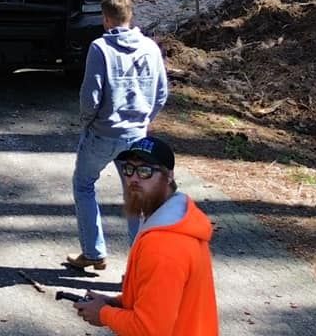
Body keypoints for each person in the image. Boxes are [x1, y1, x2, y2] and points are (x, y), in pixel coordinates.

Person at [72, 137, 219, 335]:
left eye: (145, 171)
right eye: (129, 169)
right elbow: (165, 301)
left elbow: (149, 329)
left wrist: (104, 314)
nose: (133, 178)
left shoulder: (163, 246)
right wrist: (115, 303)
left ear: (169, 176)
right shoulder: (171, 220)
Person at [64, 0, 168, 273]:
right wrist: (145, 120)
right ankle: (137, 268)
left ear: (106, 19)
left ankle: (93, 251)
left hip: (102, 133)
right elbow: (161, 93)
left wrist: (88, 122)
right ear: (130, 17)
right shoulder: (150, 48)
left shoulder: (100, 47)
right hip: (137, 135)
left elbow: (91, 95)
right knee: (136, 196)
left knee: (84, 184)